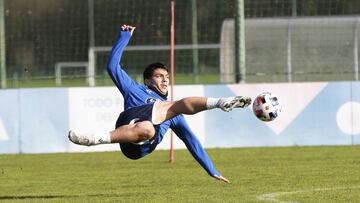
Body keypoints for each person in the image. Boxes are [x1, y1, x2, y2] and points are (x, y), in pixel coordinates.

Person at [68, 25, 251, 183]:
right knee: (164, 112)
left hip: (142, 145)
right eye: (159, 76)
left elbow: (191, 140)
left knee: (154, 123)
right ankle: (93, 139)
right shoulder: (133, 89)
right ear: (148, 81)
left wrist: (211, 169)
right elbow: (112, 67)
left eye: (167, 77)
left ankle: (221, 102)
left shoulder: (173, 113)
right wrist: (124, 37)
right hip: (127, 125)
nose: (165, 80)